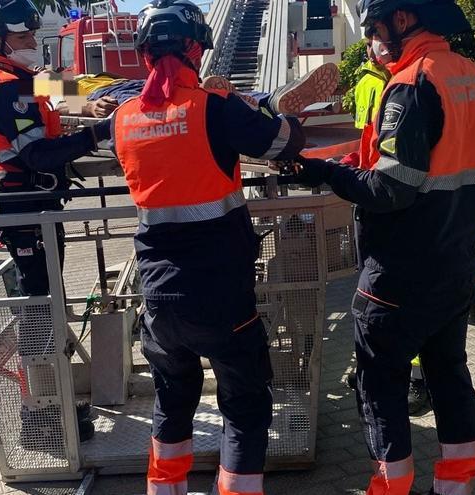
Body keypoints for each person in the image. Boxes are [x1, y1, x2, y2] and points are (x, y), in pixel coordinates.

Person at [290, 0, 475, 492]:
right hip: (456, 265)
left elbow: (389, 191)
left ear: (403, 20)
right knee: (449, 376)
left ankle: (391, 487)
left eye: (375, 30)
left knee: (380, 385)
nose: (372, 41)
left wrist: (326, 174)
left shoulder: (410, 85)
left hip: (399, 275)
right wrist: (344, 162)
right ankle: (454, 486)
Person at [107, 1, 307, 493]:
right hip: (221, 298)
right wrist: (260, 107)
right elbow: (285, 143)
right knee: (244, 404)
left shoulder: (124, 118)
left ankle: (164, 488)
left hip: (158, 298)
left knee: (172, 399)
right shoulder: (215, 111)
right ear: (197, 50)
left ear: (145, 54)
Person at [0, 0, 111, 449]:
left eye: (34, 35)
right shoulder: (7, 86)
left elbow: (71, 89)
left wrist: (90, 105)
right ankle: (40, 420)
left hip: (33, 206)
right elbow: (38, 155)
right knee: (39, 316)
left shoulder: (21, 77)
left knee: (43, 309)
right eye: (25, 38)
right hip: (25, 210)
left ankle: (54, 403)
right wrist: (99, 132)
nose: (34, 43)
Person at [73, 65, 339, 119]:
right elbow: (52, 108)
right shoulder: (62, 81)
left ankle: (270, 99)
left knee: (193, 93)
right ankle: (265, 101)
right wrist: (86, 108)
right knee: (200, 94)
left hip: (137, 86)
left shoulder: (94, 74)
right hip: (115, 96)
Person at [353, 40, 391, 130]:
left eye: (376, 45)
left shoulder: (405, 77)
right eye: (369, 45)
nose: (371, 52)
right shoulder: (363, 83)